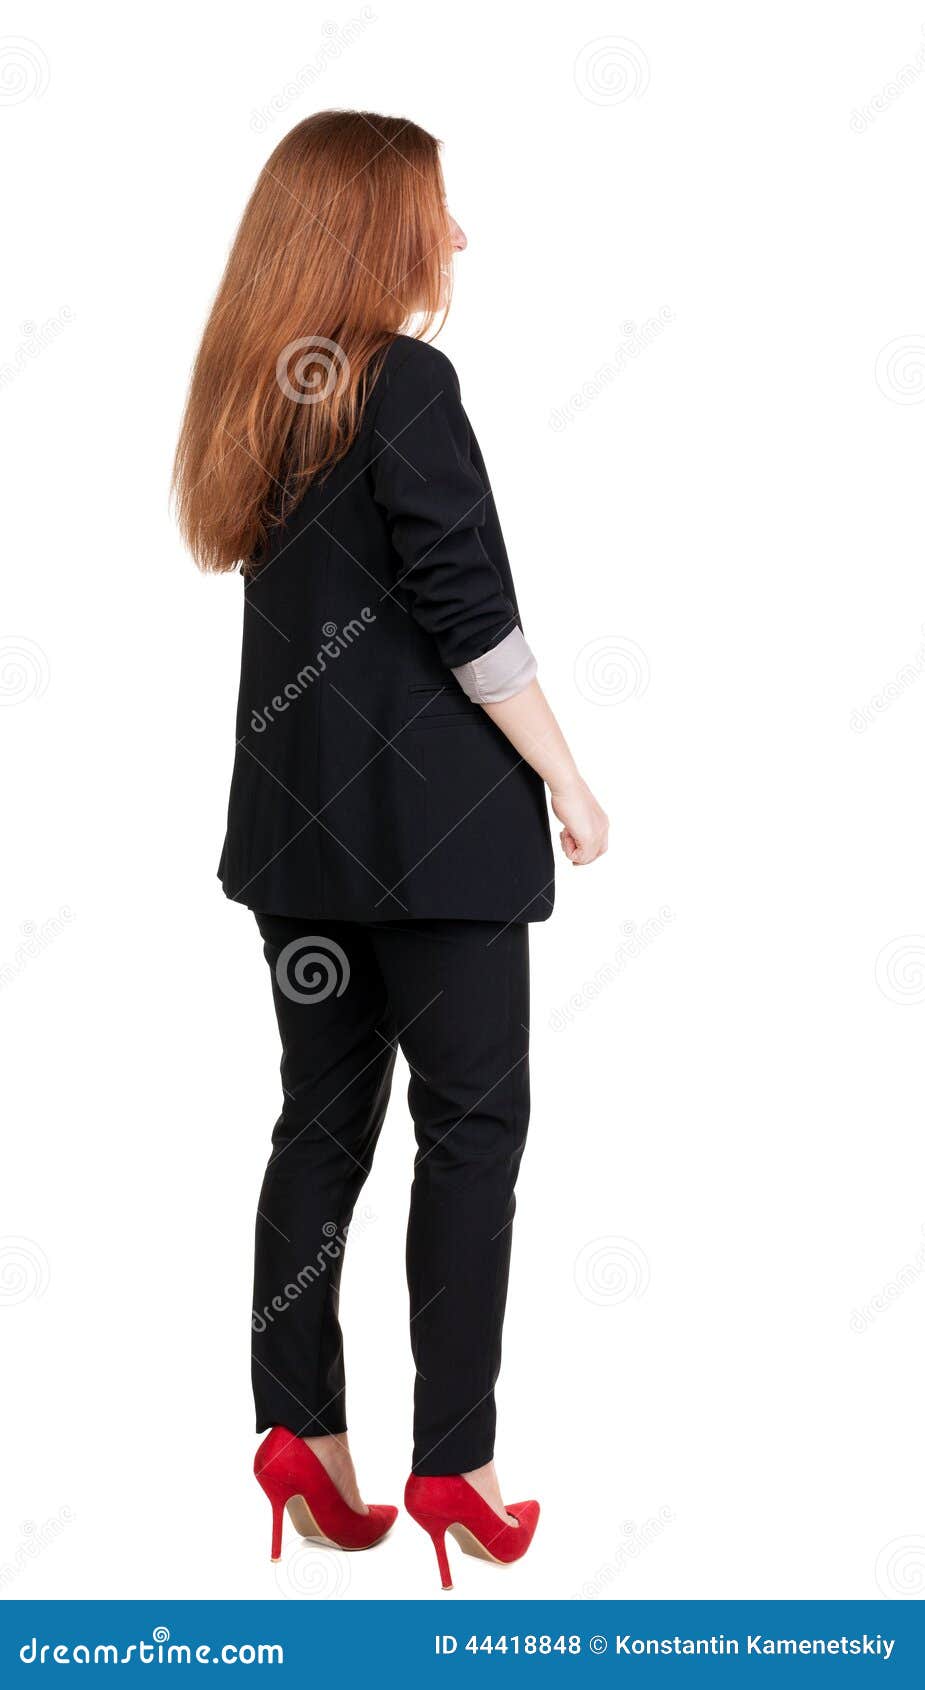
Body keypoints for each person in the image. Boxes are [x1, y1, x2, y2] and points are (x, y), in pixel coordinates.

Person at [173, 110, 608, 1589]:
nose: (457, 237)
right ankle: (456, 1467)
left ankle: (301, 1432)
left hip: (297, 848)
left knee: (322, 1123)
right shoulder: (403, 383)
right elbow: (467, 612)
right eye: (437, 209)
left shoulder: (264, 397)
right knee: (470, 1138)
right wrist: (569, 776)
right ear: (374, 227)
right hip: (439, 849)